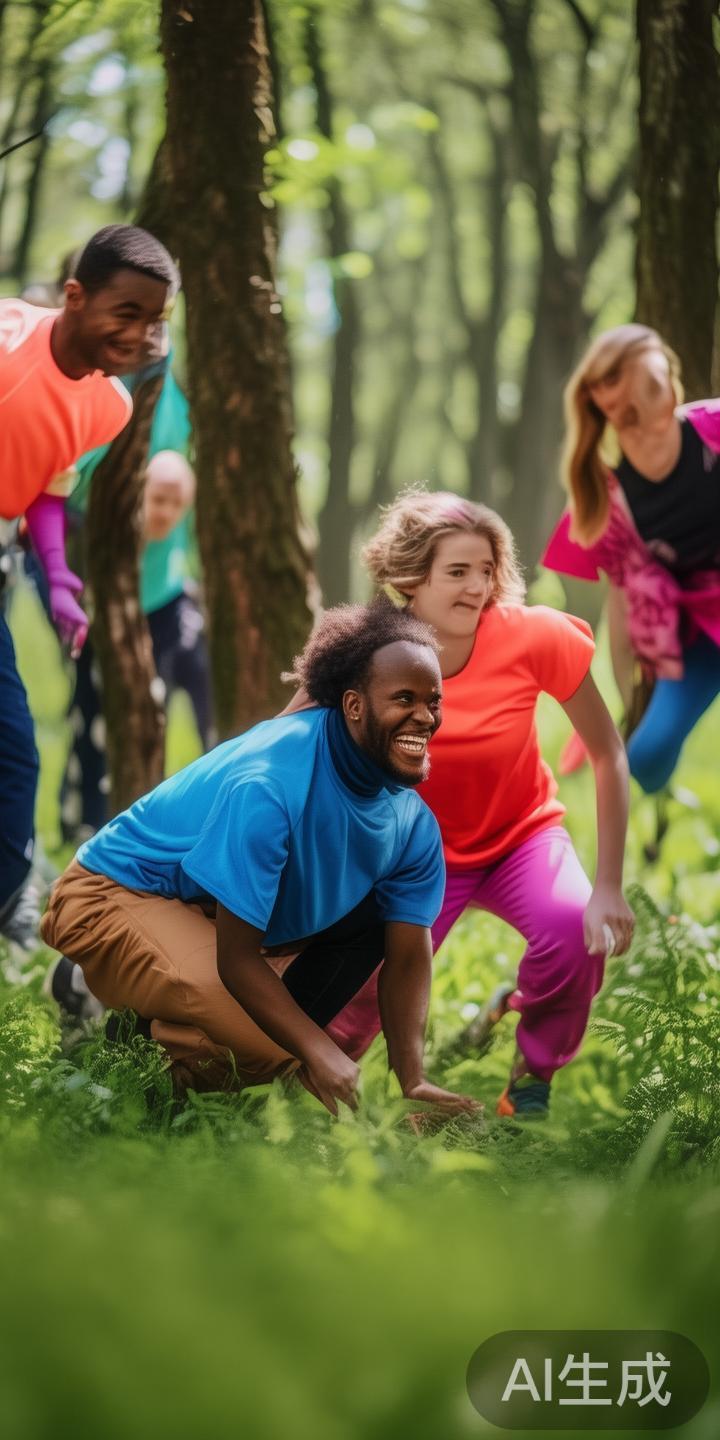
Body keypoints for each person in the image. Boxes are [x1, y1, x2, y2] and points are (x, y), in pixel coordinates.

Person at [42, 602, 479, 1119]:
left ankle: (152, 1060)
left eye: (433, 701)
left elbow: (406, 956)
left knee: (278, 1033)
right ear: (354, 706)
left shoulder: (412, 824)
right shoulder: (272, 783)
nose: (425, 717)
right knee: (281, 1048)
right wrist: (314, 1052)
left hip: (205, 910)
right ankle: (111, 1035)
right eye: (404, 699)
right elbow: (237, 961)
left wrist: (413, 1079)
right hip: (109, 893)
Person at [309, 492, 634, 1118]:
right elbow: (298, 747)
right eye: (457, 571)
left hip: (521, 838)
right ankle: (306, 1099)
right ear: (411, 577)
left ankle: (529, 1086)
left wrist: (610, 885)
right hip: (412, 855)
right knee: (356, 996)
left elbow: (607, 754)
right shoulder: (369, 653)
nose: (478, 587)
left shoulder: (534, 636)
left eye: (486, 570)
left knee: (573, 933)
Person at [0, 224, 178, 949]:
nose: (140, 334)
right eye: (125, 312)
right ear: (74, 296)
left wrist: (61, 579)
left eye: (154, 319)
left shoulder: (110, 406)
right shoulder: (8, 339)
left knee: (16, 752)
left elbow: (46, 484)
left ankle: (9, 902)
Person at [543, 323, 720, 795]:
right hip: (699, 640)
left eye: (661, 383)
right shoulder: (610, 505)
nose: (663, 400)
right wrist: (627, 705)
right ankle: (667, 806)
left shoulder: (714, 429)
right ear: (605, 407)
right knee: (645, 760)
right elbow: (621, 613)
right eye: (634, 403)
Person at [59, 443, 213, 843]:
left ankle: (165, 815)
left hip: (161, 606)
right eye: (158, 500)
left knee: (151, 715)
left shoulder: (180, 584)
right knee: (91, 715)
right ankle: (85, 819)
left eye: (176, 505)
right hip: (102, 609)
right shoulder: (107, 518)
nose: (166, 513)